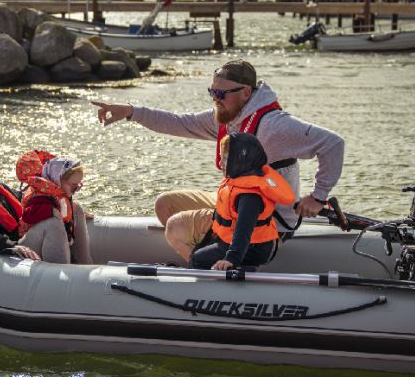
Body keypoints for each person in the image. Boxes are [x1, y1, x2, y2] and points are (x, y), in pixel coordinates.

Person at [91, 59, 344, 262]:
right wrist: (131, 111)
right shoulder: (227, 117)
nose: (215, 98)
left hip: (266, 222)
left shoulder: (274, 126)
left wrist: (318, 196)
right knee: (165, 205)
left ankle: (209, 270)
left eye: (221, 93)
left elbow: (333, 144)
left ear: (246, 92)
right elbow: (179, 122)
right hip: (236, 206)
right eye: (212, 91)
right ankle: (214, 254)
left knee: (176, 227)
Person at [191, 133, 295, 271]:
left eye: (225, 159)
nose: (220, 164)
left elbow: (243, 231)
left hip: (255, 248)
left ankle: (240, 273)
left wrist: (231, 259)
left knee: (197, 259)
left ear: (240, 161)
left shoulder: (249, 196)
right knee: (197, 251)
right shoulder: (238, 180)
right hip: (241, 242)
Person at [14, 150, 93, 264]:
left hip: (56, 240)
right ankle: (61, 271)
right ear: (57, 180)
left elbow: (65, 207)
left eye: (78, 185)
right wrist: (50, 211)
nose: (76, 189)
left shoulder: (60, 193)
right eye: (73, 186)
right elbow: (28, 215)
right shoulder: (40, 195)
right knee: (54, 223)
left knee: (77, 209)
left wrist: (73, 213)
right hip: (31, 243)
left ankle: (85, 263)